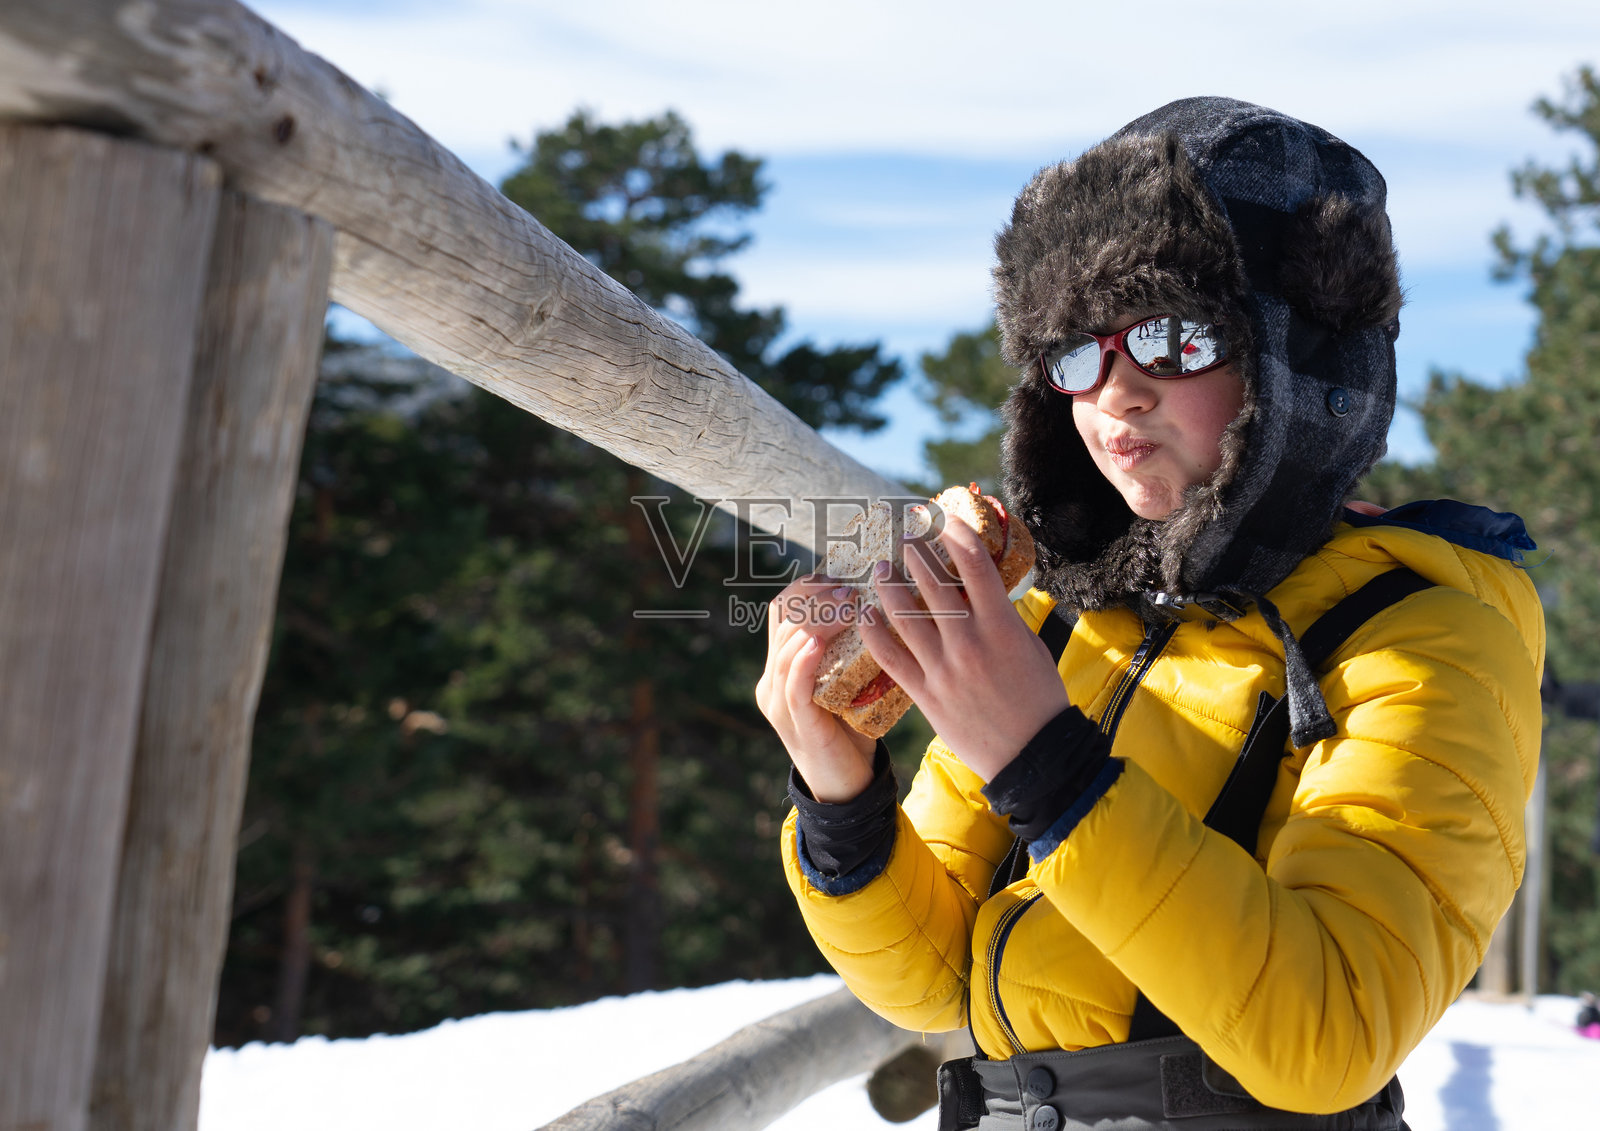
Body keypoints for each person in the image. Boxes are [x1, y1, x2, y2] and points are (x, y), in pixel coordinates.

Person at [756, 97, 1545, 1131]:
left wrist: (1046, 764)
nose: (1115, 392)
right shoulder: (1057, 619)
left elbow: (1333, 1034)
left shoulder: (1423, 629)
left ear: (1295, 353)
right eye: (1076, 354)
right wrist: (840, 794)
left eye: (1173, 338)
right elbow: (932, 984)